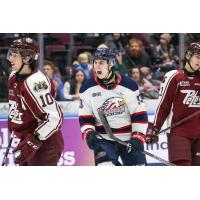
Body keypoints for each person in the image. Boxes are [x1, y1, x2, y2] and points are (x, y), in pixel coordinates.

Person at [79, 48, 148, 166]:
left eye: (101, 62)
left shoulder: (129, 85)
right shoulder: (87, 89)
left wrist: (138, 137)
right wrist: (89, 132)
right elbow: (85, 117)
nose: (97, 66)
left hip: (129, 138)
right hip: (104, 139)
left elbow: (139, 114)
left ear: (110, 64)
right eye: (95, 62)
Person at [7, 37, 64, 166]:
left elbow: (55, 118)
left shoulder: (36, 83)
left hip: (45, 144)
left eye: (14, 55)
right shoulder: (13, 76)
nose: (10, 59)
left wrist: (33, 141)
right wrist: (13, 125)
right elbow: (15, 105)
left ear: (27, 58)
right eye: (10, 54)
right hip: (27, 140)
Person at [146, 42, 200, 166]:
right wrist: (155, 128)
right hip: (178, 132)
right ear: (188, 55)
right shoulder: (175, 77)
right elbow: (164, 105)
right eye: (197, 57)